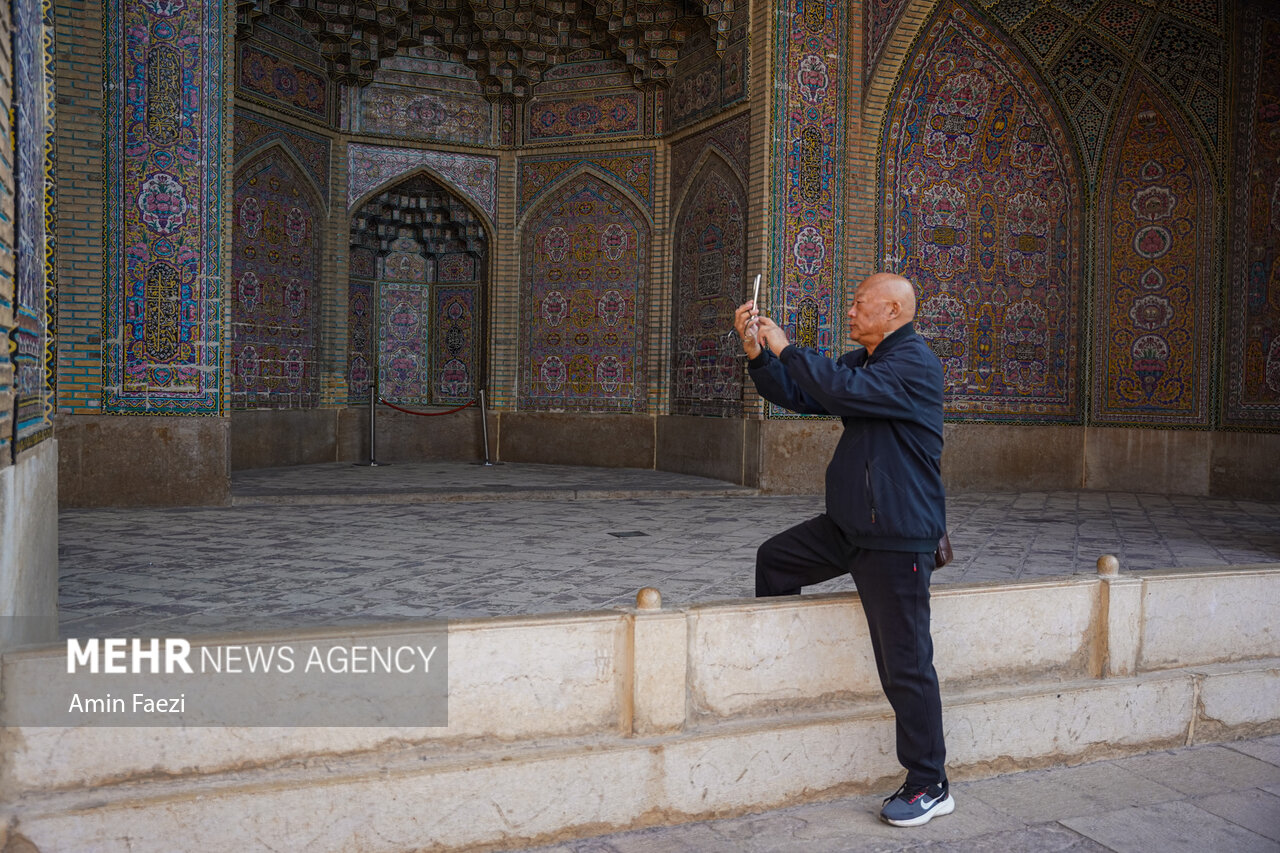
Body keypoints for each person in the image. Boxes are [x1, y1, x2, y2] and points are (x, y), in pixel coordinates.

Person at [732, 272, 952, 827]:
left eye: (859, 305)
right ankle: (782, 674)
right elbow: (802, 393)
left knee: (906, 664)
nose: (850, 312)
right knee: (776, 559)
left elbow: (835, 388)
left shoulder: (914, 362)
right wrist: (757, 351)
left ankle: (930, 782)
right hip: (852, 527)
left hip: (897, 536)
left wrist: (787, 343)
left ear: (895, 311)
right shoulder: (870, 360)